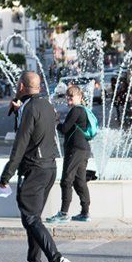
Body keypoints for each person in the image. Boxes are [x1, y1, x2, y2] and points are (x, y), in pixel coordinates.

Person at [0, 71, 72, 262]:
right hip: (50, 167)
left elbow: (20, 144)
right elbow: (38, 130)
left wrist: (6, 175)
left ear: (21, 86)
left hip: (33, 168)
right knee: (33, 217)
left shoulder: (28, 109)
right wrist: (19, 112)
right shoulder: (47, 105)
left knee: (30, 217)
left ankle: (57, 260)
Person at [46, 85, 91, 223]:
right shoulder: (82, 110)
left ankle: (64, 213)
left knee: (66, 181)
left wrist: (56, 120)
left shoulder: (76, 110)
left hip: (75, 150)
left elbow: (64, 129)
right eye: (68, 97)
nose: (69, 100)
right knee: (80, 181)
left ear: (79, 97)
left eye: (71, 97)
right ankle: (85, 213)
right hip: (83, 149)